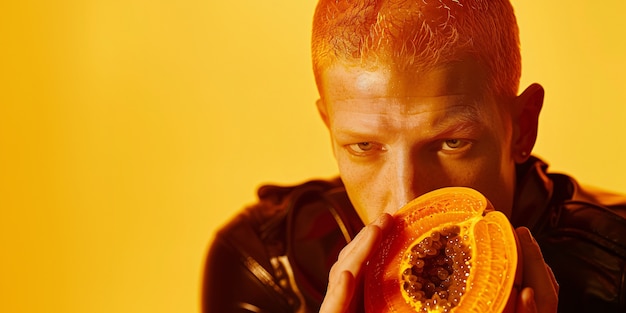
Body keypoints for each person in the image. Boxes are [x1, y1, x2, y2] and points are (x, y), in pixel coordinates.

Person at [202, 0, 626, 312]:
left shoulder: (616, 270)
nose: (407, 200)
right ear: (329, 126)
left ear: (523, 126)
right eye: (364, 146)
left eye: (451, 143)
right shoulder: (267, 266)